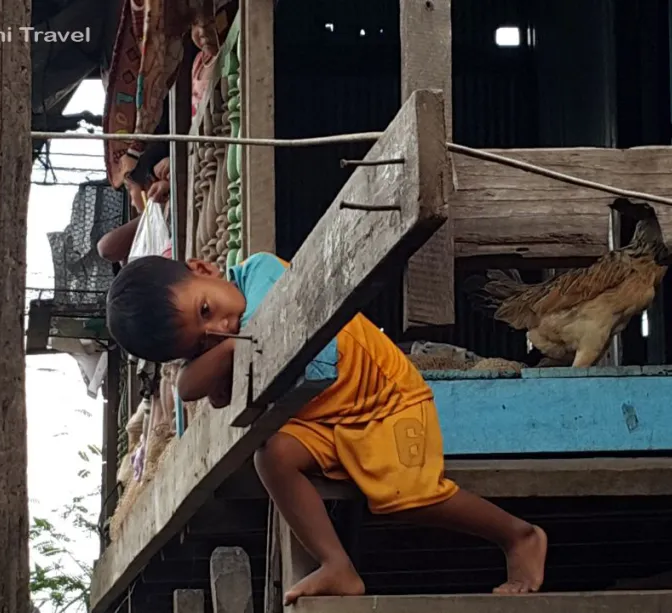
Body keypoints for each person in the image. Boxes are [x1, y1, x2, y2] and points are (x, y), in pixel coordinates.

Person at [105, 252, 549, 604]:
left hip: (384, 401)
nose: (222, 328)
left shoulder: (262, 272)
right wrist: (214, 363)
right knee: (273, 456)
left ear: (203, 269)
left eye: (206, 309)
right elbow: (187, 387)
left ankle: (518, 536)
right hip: (328, 418)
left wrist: (215, 356)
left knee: (404, 496)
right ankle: (337, 565)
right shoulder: (232, 335)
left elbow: (267, 338)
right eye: (203, 340)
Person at [96, 144, 172, 264]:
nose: (132, 203)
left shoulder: (167, 204)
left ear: (148, 184)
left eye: (129, 189)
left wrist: (149, 213)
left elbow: (106, 248)